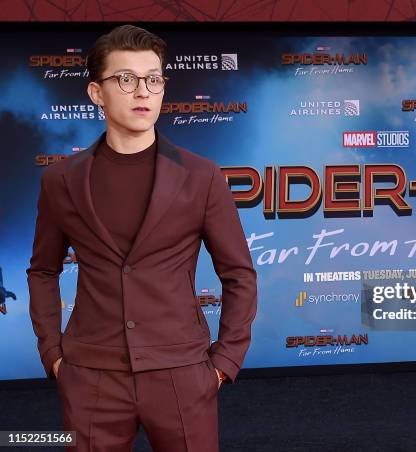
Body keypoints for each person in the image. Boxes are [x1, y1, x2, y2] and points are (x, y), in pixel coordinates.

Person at [26, 24, 257, 451]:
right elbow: (43, 269)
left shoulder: (201, 175)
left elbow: (239, 274)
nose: (143, 92)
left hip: (182, 374)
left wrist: (223, 362)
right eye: (126, 79)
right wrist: (54, 356)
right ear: (97, 93)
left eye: (153, 79)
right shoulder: (61, 180)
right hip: (90, 375)